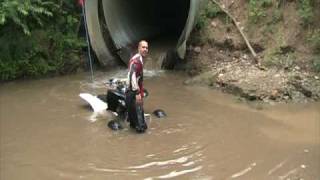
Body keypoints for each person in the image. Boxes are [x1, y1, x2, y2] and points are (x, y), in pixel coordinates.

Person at [126, 40, 149, 133]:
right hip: (133, 93)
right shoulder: (137, 61)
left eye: (147, 47)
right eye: (143, 47)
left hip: (130, 93)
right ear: (139, 48)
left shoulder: (138, 59)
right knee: (141, 127)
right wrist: (137, 92)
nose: (145, 49)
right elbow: (132, 76)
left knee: (133, 123)